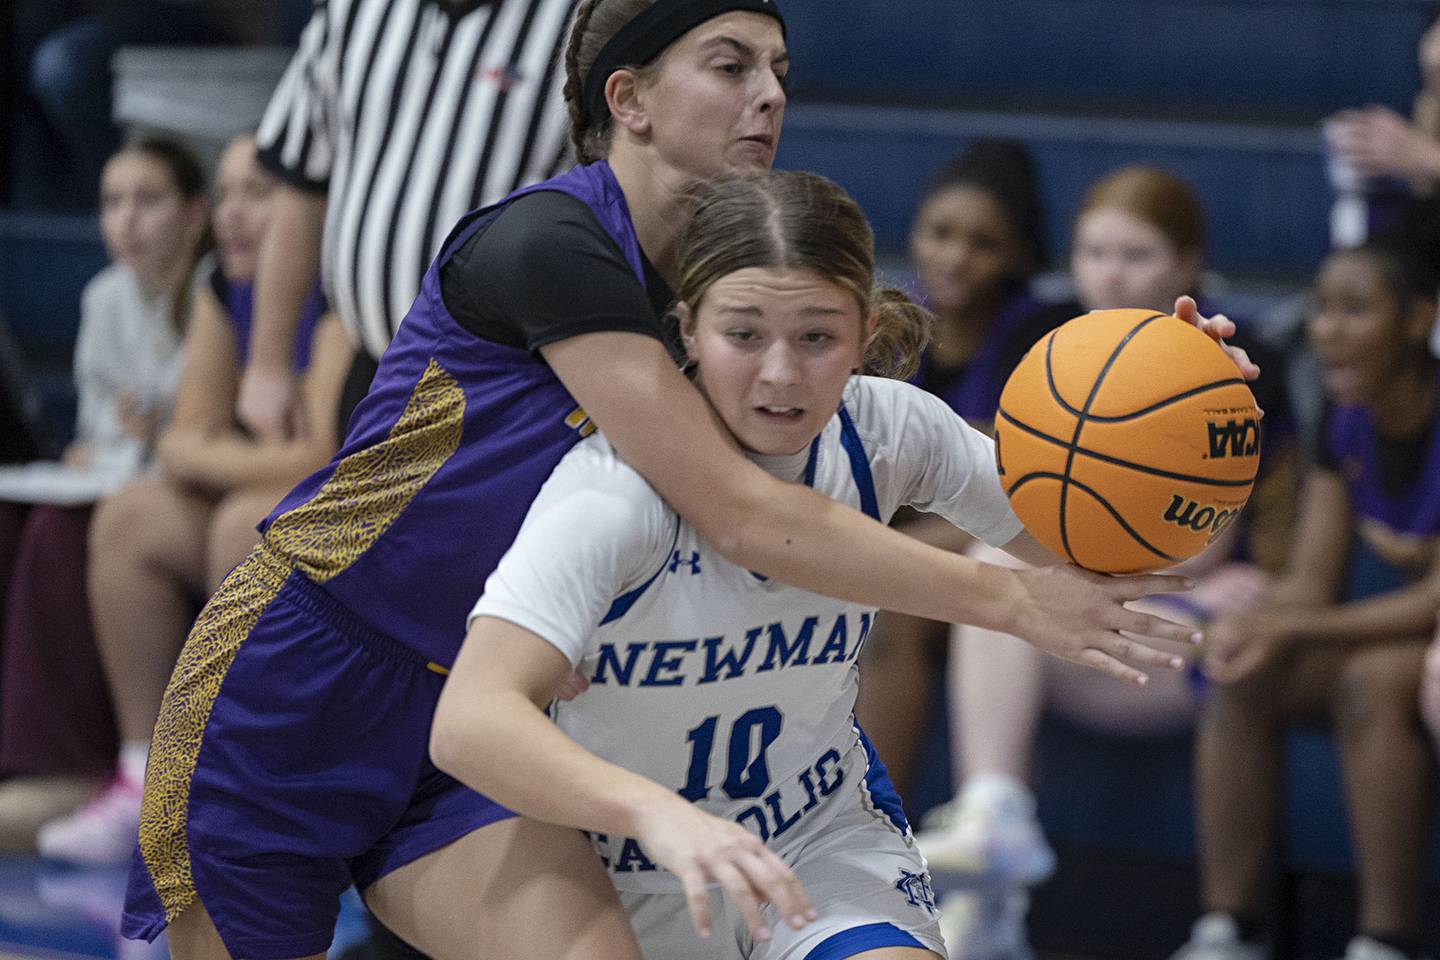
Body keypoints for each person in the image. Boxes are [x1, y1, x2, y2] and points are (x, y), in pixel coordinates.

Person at [120, 2, 1253, 956]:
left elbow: (1069, 506)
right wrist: (1010, 599)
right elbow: (739, 507)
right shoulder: (547, 244)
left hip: (496, 698)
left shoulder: (729, 289)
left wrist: (1184, 423)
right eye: (731, 65)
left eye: (779, 70)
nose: (770, 93)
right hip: (307, 675)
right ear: (630, 100)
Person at [912, 167, 1300, 960]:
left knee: (1008, 571)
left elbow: (1190, 549)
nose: (1111, 273)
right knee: (994, 565)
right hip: (1079, 611)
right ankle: (994, 834)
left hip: (1191, 617)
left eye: (1136, 254)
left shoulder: (1235, 361)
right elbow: (998, 499)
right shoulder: (1049, 344)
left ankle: (1224, 929)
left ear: (1187, 264)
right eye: (1094, 251)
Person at [33, 134, 348, 866]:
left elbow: (321, 457)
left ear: (310, 210)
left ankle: (253, 790)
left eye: (259, 195)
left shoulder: (339, 290)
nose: (235, 216)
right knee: (132, 517)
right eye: (228, 194)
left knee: (244, 522)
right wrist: (233, 456)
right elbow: (181, 442)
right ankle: (145, 775)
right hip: (259, 491)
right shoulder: (220, 288)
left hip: (355, 506)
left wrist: (216, 457)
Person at [1170, 214, 1440, 960]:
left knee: (1372, 680)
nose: (1326, 330)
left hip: (1429, 639)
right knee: (1240, 668)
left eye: (1355, 310)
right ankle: (1229, 929)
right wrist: (1255, 624)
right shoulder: (1345, 420)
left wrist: (1289, 626)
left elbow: (1430, 601)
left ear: (1419, 319)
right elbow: (1313, 582)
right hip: (1406, 633)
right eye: (1321, 309)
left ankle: (1385, 938)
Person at [239, 0, 580, 448]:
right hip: (374, 373)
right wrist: (269, 363)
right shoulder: (354, 10)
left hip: (511, 387)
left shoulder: (578, 17)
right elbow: (302, 180)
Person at [0, 135, 208, 848]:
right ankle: (21, 759)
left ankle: (74, 762)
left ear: (193, 213)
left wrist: (157, 435)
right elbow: (94, 434)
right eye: (112, 202)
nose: (127, 221)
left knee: (68, 533)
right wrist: (113, 441)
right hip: (130, 482)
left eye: (147, 200)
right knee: (17, 521)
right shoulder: (105, 297)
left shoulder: (214, 292)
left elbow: (211, 432)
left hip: (188, 495)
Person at [855, 138, 1056, 800]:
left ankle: (878, 834)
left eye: (983, 243)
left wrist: (882, 555)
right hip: (914, 545)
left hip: (1009, 552)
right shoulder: (886, 325)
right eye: (940, 233)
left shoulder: (1043, 341)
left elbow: (1022, 502)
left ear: (1021, 256)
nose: (954, 257)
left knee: (890, 601)